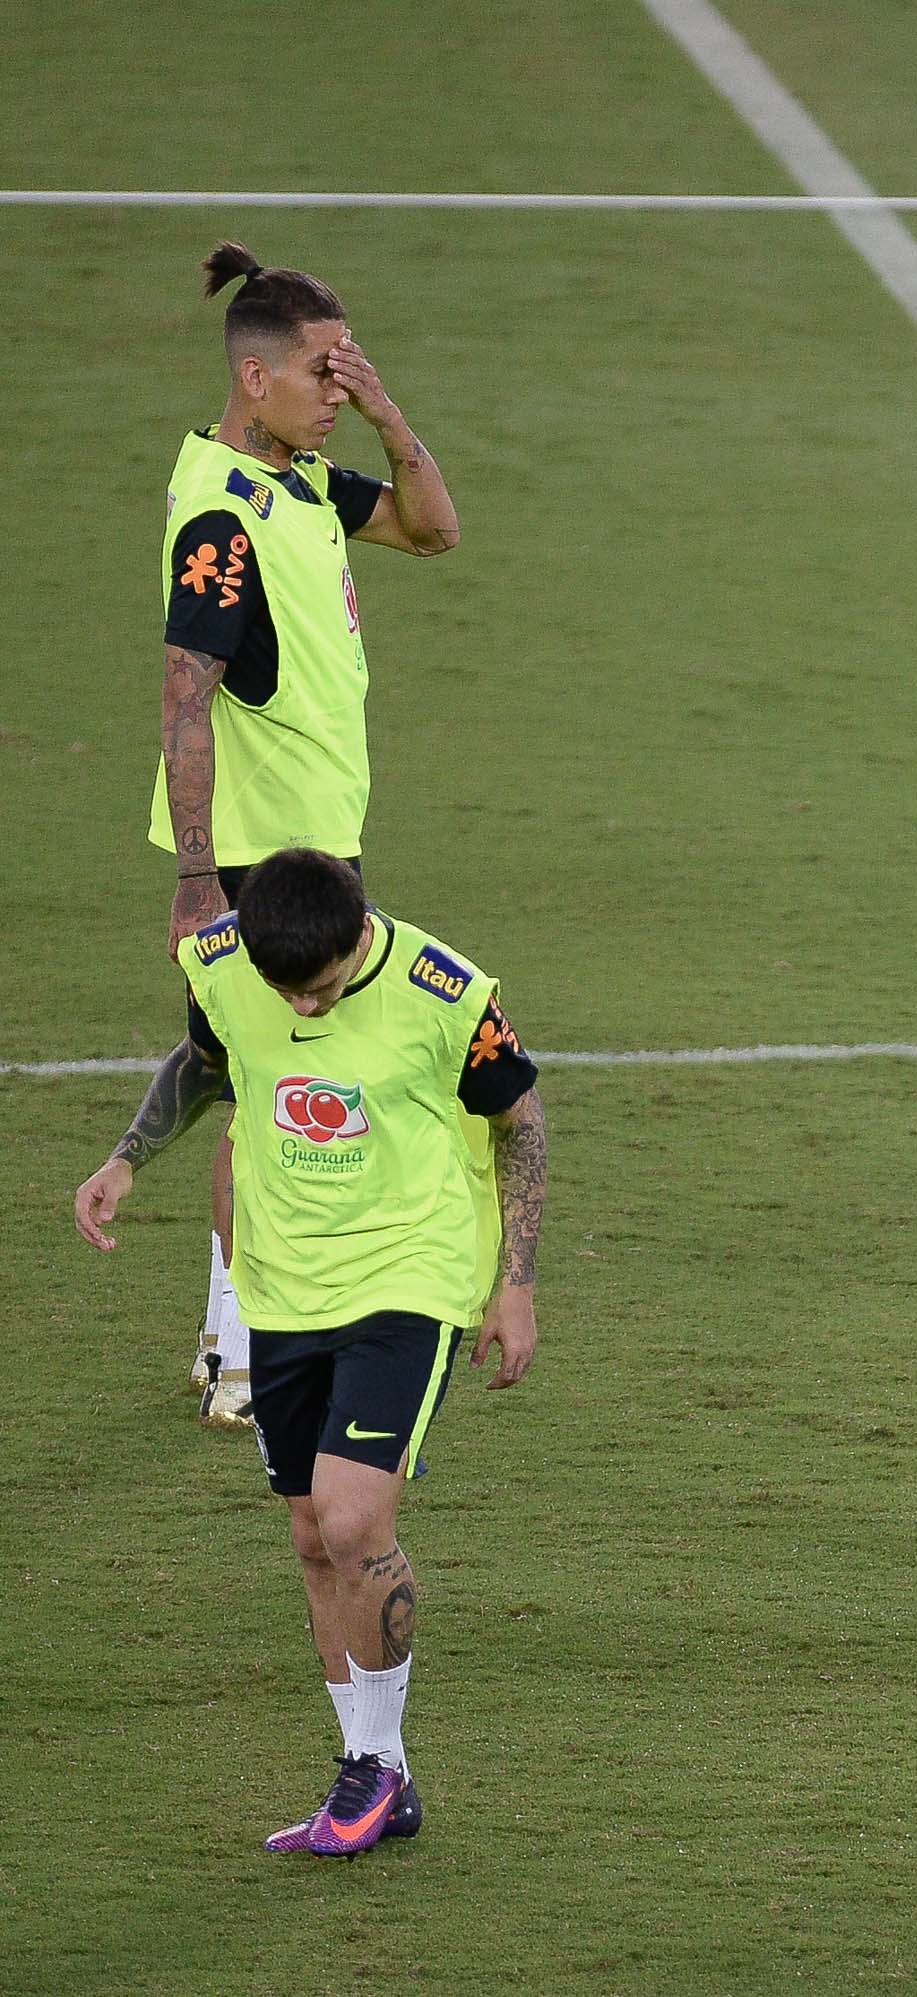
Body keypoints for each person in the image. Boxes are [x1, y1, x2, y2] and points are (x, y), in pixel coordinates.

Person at [73, 849, 544, 1854]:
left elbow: (521, 1123)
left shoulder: (446, 993)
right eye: (286, 990)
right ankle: (380, 1771)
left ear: (360, 935)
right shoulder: (221, 963)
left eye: (323, 990)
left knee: (353, 1514)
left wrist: (515, 1280)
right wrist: (127, 1157)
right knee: (310, 1535)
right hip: (281, 1284)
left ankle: (371, 1770)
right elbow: (204, 1062)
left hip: (411, 1277)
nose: (304, 1007)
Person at [158, 242, 462, 1426]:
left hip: (312, 837)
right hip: (257, 851)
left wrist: (388, 414)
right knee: (272, 1092)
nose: (341, 388)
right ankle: (242, 1352)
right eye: (325, 372)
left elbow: (434, 531)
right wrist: (198, 876)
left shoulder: (299, 482)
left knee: (265, 1086)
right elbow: (185, 694)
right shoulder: (222, 519)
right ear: (256, 378)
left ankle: (232, 1336)